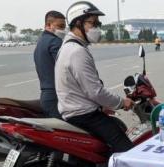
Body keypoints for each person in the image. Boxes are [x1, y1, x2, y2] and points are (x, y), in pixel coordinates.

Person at [55, 1, 134, 153]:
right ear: (78, 23)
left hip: (75, 110)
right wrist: (121, 102)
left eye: (98, 24)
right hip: (84, 114)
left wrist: (103, 106)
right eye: (93, 23)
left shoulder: (68, 47)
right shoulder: (77, 51)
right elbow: (95, 91)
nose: (97, 28)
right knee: (126, 150)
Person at [34, 11, 66, 118]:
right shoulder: (55, 41)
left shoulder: (41, 41)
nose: (63, 30)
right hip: (56, 97)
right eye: (60, 26)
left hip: (46, 95)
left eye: (64, 26)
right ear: (48, 25)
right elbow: (67, 68)